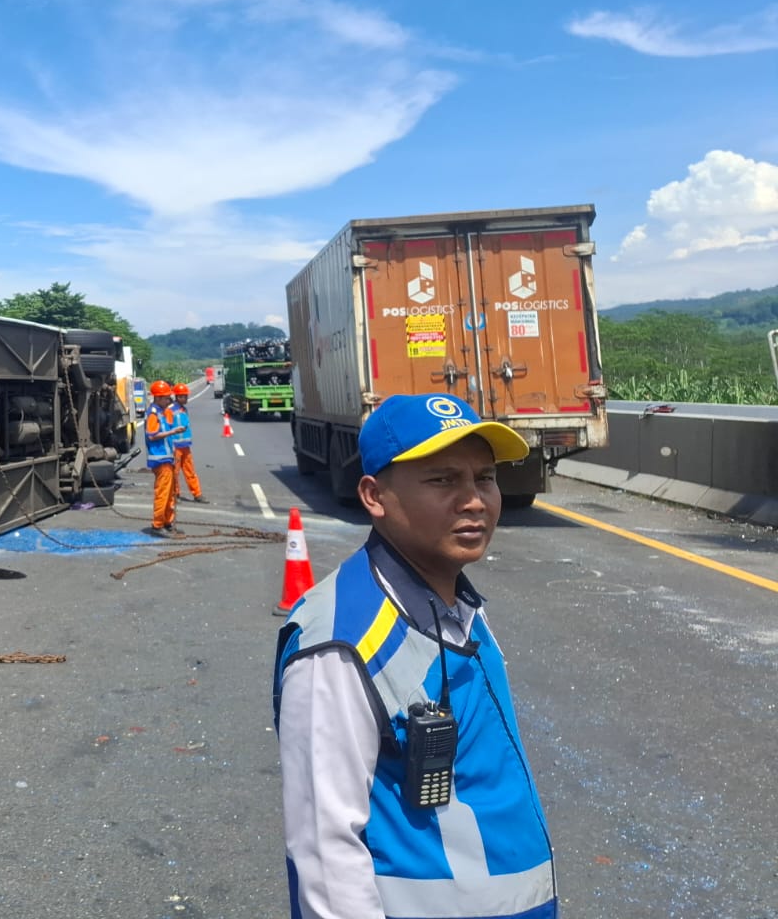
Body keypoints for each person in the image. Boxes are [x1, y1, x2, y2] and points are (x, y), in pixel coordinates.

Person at [272, 394, 557, 919]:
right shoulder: (342, 644)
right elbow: (326, 855)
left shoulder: (456, 601)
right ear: (374, 495)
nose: (474, 500)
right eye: (443, 480)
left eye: (485, 478)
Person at [143, 380, 180, 534]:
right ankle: (157, 524)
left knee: (170, 493)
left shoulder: (163, 412)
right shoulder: (153, 414)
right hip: (160, 459)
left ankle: (167, 522)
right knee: (163, 493)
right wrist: (173, 432)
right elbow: (152, 436)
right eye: (165, 398)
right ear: (157, 398)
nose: (168, 400)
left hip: (167, 458)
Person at [170, 383, 209, 504]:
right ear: (177, 397)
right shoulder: (170, 411)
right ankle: (175, 495)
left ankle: (197, 494)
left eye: (186, 396)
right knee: (174, 473)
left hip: (186, 447)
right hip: (175, 447)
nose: (186, 398)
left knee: (190, 472)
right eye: (184, 396)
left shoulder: (184, 410)